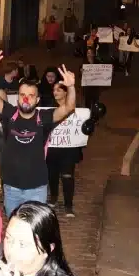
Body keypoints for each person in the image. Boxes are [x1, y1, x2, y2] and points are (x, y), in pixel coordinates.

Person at [0, 51, 77, 216]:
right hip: (11, 187)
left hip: (36, 188)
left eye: (31, 96)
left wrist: (70, 87)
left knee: (34, 229)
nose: (26, 99)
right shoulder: (8, 113)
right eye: (22, 95)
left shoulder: (44, 117)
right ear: (18, 97)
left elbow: (68, 108)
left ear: (37, 100)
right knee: (14, 225)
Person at [46, 83, 81, 217]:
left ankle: (68, 205)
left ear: (66, 92)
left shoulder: (74, 108)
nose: (55, 92)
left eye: (58, 90)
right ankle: (54, 197)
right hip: (53, 147)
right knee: (52, 175)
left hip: (68, 149)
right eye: (54, 90)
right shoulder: (49, 107)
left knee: (67, 176)